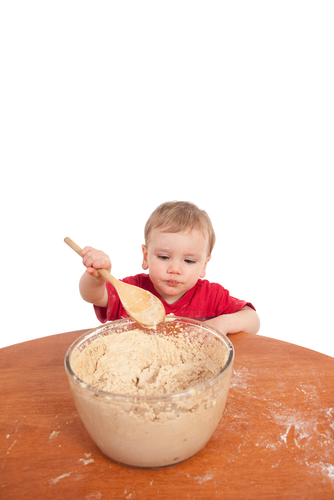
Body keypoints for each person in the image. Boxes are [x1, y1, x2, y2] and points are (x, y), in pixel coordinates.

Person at [79, 201, 260, 335]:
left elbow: (253, 320)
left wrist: (224, 323)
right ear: (145, 257)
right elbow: (94, 295)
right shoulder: (132, 291)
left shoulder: (212, 296)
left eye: (189, 261)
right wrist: (97, 279)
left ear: (204, 265)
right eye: (164, 257)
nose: (175, 269)